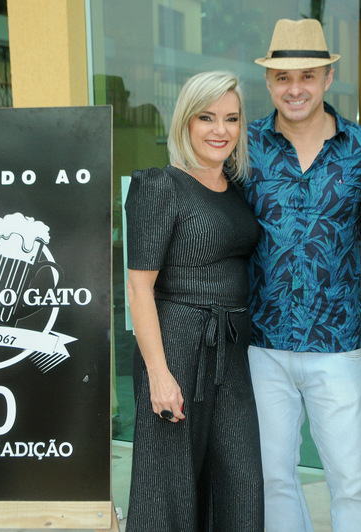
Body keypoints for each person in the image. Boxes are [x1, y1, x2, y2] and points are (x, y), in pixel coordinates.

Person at [245, 18, 361, 532]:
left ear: (329, 78)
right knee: (273, 476)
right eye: (283, 78)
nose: (295, 88)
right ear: (268, 83)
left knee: (351, 479)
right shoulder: (245, 145)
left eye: (307, 76)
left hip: (336, 342)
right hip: (263, 341)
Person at [124, 71, 263, 532]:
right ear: (186, 121)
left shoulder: (237, 189)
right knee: (169, 488)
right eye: (207, 117)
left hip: (231, 354)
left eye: (231, 118)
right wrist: (159, 377)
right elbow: (139, 286)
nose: (220, 130)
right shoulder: (160, 186)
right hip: (179, 348)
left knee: (239, 484)